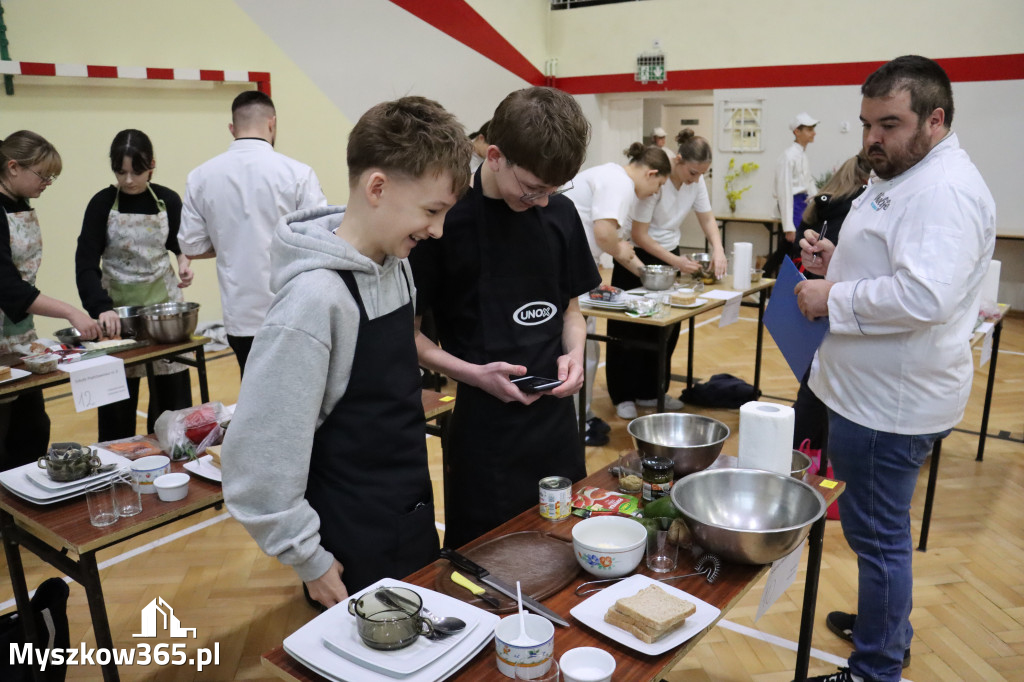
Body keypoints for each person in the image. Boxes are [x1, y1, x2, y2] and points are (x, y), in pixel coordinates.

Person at [222, 96, 471, 607]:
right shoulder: (314, 300)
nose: (438, 230)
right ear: (377, 187)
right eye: (431, 211)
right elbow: (257, 461)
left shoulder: (397, 264)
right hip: (351, 541)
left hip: (407, 511)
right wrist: (308, 558)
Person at [795, 55, 996, 682]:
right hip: (868, 391)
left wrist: (833, 296)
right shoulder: (907, 174)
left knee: (878, 538)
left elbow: (924, 298)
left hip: (889, 405)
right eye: (866, 124)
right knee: (874, 533)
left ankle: (876, 668)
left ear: (934, 119)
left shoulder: (943, 191)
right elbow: (894, 264)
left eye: (889, 125)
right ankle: (887, 628)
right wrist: (837, 262)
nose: (872, 140)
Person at [409, 87, 597, 548]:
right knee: (486, 559)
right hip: (483, 431)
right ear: (494, 157)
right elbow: (408, 336)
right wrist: (473, 374)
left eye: (553, 190)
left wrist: (574, 354)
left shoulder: (560, 214)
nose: (542, 201)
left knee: (564, 546)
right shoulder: (444, 222)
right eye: (532, 188)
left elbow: (571, 311)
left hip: (556, 425)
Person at [178, 90, 327, 377]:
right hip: (293, 309)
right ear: (272, 123)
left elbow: (192, 246)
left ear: (232, 128)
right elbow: (318, 239)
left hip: (240, 315)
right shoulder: (298, 173)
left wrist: (229, 240)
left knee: (253, 391)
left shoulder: (200, 176)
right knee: (298, 391)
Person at [75, 130, 194, 441]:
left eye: (136, 172)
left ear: (152, 165)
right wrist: (100, 308)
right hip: (118, 319)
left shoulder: (167, 200)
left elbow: (179, 244)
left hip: (164, 317)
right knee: (116, 415)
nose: (128, 180)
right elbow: (85, 265)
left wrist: (184, 261)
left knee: (171, 411)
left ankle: (173, 462)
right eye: (120, 171)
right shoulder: (102, 204)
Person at [608, 129, 727, 420]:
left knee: (664, 327)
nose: (696, 179)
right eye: (693, 172)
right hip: (638, 256)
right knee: (628, 329)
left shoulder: (696, 182)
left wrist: (719, 249)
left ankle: (652, 390)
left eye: (702, 174)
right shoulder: (657, 180)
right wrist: (676, 261)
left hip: (670, 254)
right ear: (678, 160)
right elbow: (640, 234)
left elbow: (707, 217)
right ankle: (623, 395)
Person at [1, 131, 101, 470]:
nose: (47, 183)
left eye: (51, 177)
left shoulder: (19, 205)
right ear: (13, 167)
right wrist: (71, 312)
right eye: (42, 175)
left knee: (32, 429)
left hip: (18, 333)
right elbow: (9, 288)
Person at [563, 142, 670, 432]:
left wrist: (643, 272)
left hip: (574, 265)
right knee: (582, 347)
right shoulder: (620, 183)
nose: (655, 192)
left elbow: (609, 240)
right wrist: (633, 261)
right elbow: (604, 234)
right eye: (659, 185)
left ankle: (579, 415)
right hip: (568, 269)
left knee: (584, 346)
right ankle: (577, 422)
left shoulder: (610, 175)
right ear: (651, 173)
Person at [789, 152, 872, 455]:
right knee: (817, 390)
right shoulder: (854, 208)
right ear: (867, 180)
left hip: (807, 296)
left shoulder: (821, 202)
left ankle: (798, 452)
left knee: (811, 385)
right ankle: (804, 456)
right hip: (828, 305)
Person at [766, 112, 818, 277]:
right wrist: (788, 226)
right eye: (809, 129)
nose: (813, 133)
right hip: (793, 206)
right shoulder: (788, 157)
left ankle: (765, 276)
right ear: (797, 131)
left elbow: (809, 184)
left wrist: (818, 203)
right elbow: (785, 192)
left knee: (790, 250)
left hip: (803, 205)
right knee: (791, 248)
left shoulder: (802, 155)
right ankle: (765, 276)